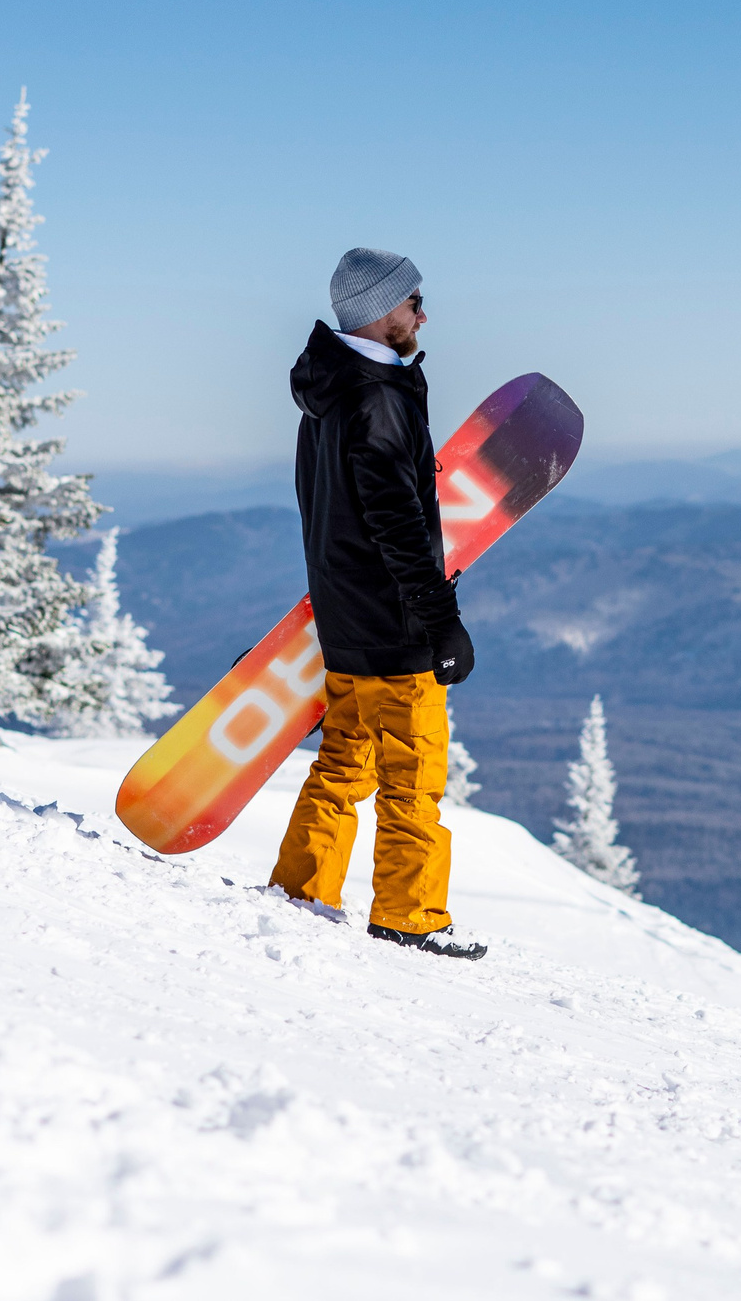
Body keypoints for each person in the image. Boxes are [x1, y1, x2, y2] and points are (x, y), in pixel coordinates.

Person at [267, 247, 486, 960]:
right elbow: (395, 524)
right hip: (394, 627)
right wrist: (440, 620)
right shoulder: (379, 399)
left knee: (342, 766)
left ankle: (302, 892)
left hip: (347, 622)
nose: (423, 315)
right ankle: (408, 916)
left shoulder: (330, 393)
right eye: (414, 302)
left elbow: (324, 513)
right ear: (381, 309)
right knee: (411, 777)